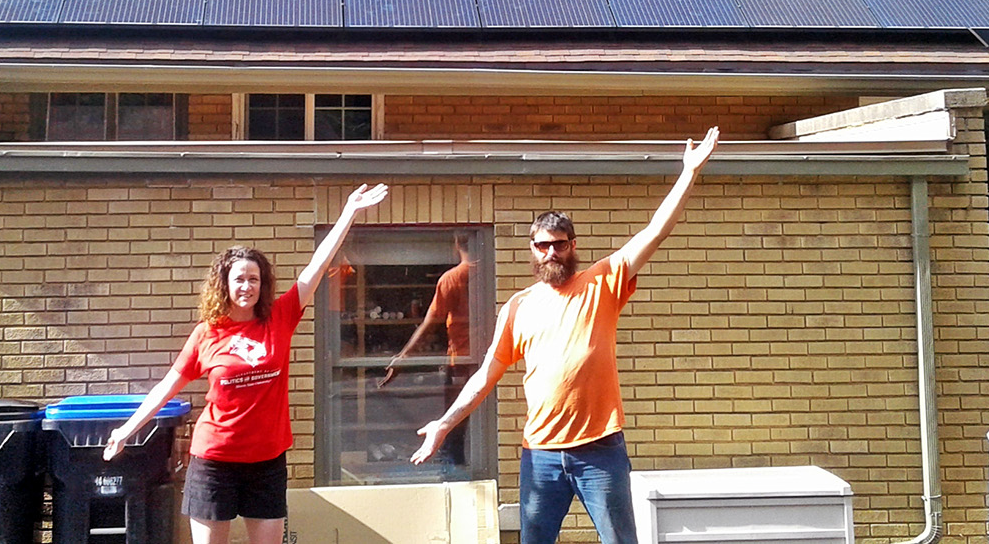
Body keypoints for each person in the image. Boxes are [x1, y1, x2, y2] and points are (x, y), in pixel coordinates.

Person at [410, 129, 720, 544]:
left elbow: (655, 232)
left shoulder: (603, 281)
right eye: (542, 247)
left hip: (600, 451)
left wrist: (689, 172)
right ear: (532, 249)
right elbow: (486, 375)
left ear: (572, 245)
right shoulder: (519, 307)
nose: (550, 253)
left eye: (558, 245)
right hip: (541, 455)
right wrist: (443, 426)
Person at [103, 183, 388, 544]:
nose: (247, 286)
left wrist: (348, 212)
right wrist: (126, 429)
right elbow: (166, 386)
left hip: (267, 462)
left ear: (262, 284)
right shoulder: (207, 333)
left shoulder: (280, 317)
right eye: (239, 278)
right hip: (214, 460)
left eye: (254, 279)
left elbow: (317, 266)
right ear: (225, 284)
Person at [379, 233, 477, 467]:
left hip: (462, 362)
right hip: (484, 359)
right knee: (473, 422)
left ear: (456, 245)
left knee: (454, 423)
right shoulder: (490, 273)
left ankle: (455, 471)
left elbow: (430, 323)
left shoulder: (452, 278)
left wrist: (403, 358)